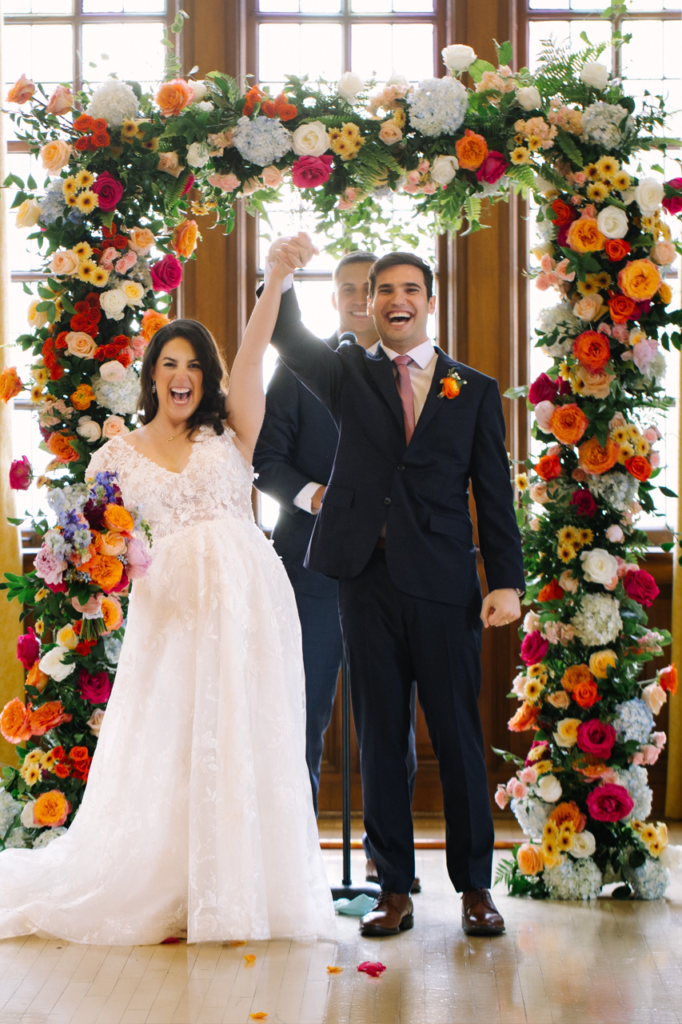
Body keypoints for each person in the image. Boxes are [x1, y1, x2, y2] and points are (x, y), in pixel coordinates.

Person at [0, 246, 335, 945]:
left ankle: (244, 889)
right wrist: (93, 568)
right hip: (172, 620)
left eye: (193, 366)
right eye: (169, 364)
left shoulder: (232, 428)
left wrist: (275, 281)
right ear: (152, 376)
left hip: (247, 610)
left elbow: (251, 355)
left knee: (245, 735)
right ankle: (179, 888)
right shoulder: (116, 455)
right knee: (179, 745)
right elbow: (82, 544)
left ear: (206, 379)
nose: (182, 376)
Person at [265, 233, 525, 938]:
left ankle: (475, 888)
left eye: (410, 289)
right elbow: (287, 337)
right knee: (379, 736)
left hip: (444, 584)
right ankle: (394, 888)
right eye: (384, 291)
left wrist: (507, 581)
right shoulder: (347, 372)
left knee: (457, 735)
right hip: (365, 579)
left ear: (429, 303)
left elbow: (493, 495)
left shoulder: (471, 389)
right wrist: (281, 274)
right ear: (370, 306)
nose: (397, 300)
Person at [253, 251, 420, 893]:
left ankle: (390, 863)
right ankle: (295, 860)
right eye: (348, 288)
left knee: (390, 723)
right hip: (310, 570)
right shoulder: (299, 373)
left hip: (391, 572)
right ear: (336, 299)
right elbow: (265, 460)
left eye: (369, 288)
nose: (359, 298)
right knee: (303, 713)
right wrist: (317, 498)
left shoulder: (421, 375)